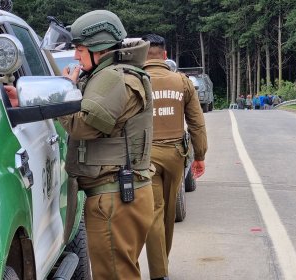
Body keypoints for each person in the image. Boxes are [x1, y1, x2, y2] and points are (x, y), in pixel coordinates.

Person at [58, 10, 154, 279]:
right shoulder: (112, 76)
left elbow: (83, 125)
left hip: (114, 196)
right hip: (119, 194)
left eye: (79, 49)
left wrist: (66, 91)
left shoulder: (114, 78)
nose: (76, 56)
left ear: (98, 48)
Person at [141, 34, 208, 280]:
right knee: (168, 212)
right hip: (175, 156)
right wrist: (199, 155)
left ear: (142, 56)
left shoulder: (135, 81)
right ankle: (162, 267)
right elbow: (197, 123)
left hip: (145, 157)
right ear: (165, 55)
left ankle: (160, 273)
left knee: (154, 211)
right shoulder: (182, 81)